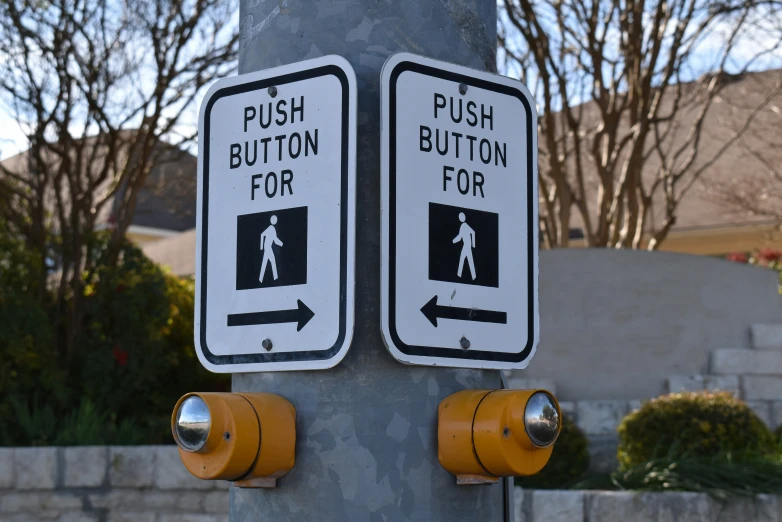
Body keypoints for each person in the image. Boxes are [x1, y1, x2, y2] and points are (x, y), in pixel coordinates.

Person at [453, 212, 476, 280]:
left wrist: (473, 244)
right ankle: (472, 276)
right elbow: (460, 237)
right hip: (466, 246)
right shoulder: (463, 226)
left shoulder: (464, 225)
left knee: (464, 259)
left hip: (467, 246)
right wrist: (453, 241)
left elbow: (472, 232)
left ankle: (459, 275)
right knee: (467, 260)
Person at [260, 215, 283, 282]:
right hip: (268, 248)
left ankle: (260, 279)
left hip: (267, 247)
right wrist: (261, 247)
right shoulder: (271, 228)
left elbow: (275, 240)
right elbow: (262, 235)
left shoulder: (271, 228)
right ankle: (276, 279)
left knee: (264, 263)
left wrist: (262, 247)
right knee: (273, 261)